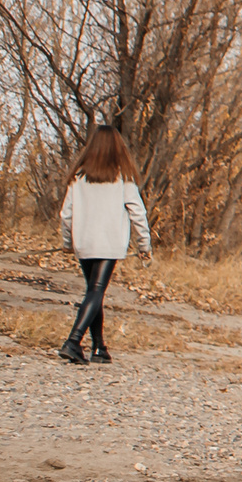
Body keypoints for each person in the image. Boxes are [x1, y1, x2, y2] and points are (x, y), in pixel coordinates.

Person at [57, 125, 151, 364]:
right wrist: (144, 245)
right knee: (97, 291)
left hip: (85, 243)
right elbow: (137, 212)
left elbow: (66, 214)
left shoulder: (78, 177)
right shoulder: (123, 178)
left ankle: (99, 347)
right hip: (108, 244)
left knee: (94, 291)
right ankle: (73, 341)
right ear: (118, 148)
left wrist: (68, 243)